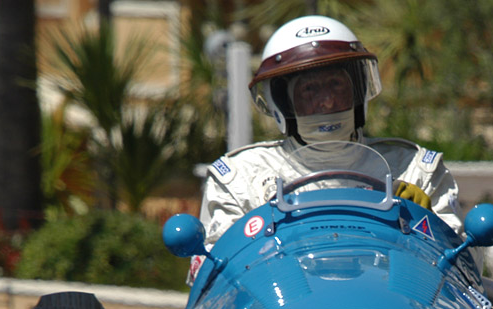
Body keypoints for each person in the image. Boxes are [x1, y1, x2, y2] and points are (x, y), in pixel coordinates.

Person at [198, 14, 462, 246]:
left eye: (336, 85)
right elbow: (217, 280)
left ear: (358, 89)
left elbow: (463, 267)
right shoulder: (241, 179)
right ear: (281, 100)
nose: (326, 102)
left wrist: (426, 225)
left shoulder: (416, 171)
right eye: (309, 89)